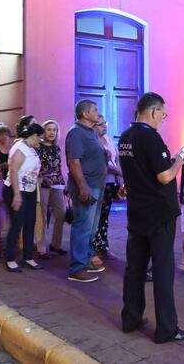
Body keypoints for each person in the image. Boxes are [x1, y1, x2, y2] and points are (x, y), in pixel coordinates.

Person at [118, 92, 184, 343]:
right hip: (158, 214)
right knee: (162, 271)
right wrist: (180, 160)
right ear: (152, 111)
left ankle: (131, 317)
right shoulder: (151, 138)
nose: (163, 117)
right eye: (162, 112)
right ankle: (167, 329)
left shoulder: (126, 137)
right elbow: (164, 176)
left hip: (136, 211)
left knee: (135, 268)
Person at [65, 100, 108, 282]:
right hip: (87, 187)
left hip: (97, 185)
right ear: (85, 114)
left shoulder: (91, 132)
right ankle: (77, 267)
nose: (98, 113)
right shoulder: (76, 133)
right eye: (95, 110)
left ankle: (87, 258)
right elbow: (74, 161)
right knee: (83, 226)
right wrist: (82, 185)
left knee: (91, 226)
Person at [4, 123, 45, 272]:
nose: (40, 141)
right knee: (17, 224)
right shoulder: (20, 148)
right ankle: (10, 258)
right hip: (17, 189)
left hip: (30, 190)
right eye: (39, 139)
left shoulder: (31, 148)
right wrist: (16, 195)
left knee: (30, 222)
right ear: (33, 137)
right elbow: (14, 171)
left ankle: (28, 257)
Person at [91, 115, 124, 262]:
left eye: (105, 123)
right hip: (98, 182)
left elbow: (115, 159)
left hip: (110, 182)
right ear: (93, 126)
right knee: (95, 217)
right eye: (100, 124)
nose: (104, 126)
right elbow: (101, 162)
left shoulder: (108, 139)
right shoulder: (93, 141)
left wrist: (120, 179)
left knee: (104, 217)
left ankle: (103, 246)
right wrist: (119, 172)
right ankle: (93, 248)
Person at [36, 120, 67, 259]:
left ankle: (56, 244)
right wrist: (42, 176)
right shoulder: (38, 147)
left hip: (57, 183)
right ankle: (41, 248)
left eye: (54, 130)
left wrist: (63, 183)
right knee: (42, 216)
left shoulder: (57, 148)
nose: (51, 132)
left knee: (61, 214)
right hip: (43, 183)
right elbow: (35, 167)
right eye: (49, 129)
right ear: (44, 131)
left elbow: (58, 166)